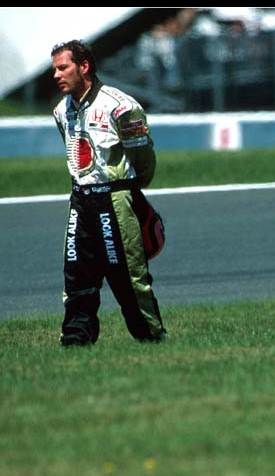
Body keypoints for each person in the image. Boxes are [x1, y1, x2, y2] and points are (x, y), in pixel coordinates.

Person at [51, 39, 167, 346]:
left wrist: (130, 194)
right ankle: (76, 338)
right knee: (75, 275)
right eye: (55, 69)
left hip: (115, 199)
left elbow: (144, 160)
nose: (56, 75)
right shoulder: (61, 111)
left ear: (84, 66)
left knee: (129, 277)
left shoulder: (121, 106)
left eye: (63, 67)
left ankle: (151, 337)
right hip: (80, 201)